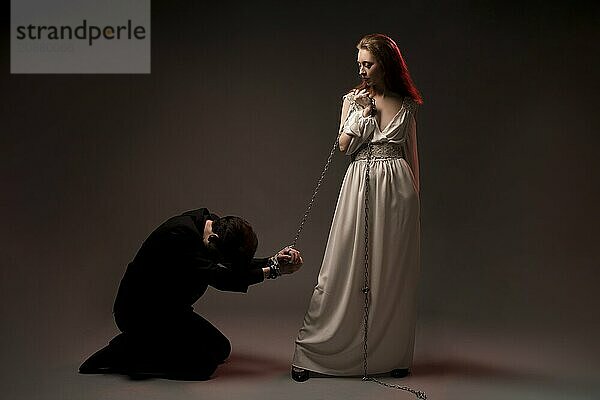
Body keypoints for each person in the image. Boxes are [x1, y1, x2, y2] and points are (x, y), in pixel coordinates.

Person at [292, 33, 422, 381]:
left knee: (390, 272)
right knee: (342, 267)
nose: (362, 70)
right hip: (360, 185)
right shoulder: (353, 99)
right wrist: (360, 113)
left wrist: (415, 202)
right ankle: (315, 353)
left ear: (387, 64)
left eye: (369, 63)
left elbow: (413, 157)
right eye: (360, 64)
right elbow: (344, 147)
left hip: (398, 192)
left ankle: (388, 354)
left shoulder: (406, 104)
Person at [79, 207, 303, 380]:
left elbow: (232, 265)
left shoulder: (214, 228)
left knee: (220, 349)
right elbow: (219, 277)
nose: (224, 263)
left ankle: (144, 345)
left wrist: (273, 261)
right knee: (201, 368)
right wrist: (272, 272)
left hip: (171, 311)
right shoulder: (179, 237)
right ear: (214, 240)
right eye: (223, 259)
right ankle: (126, 350)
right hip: (141, 315)